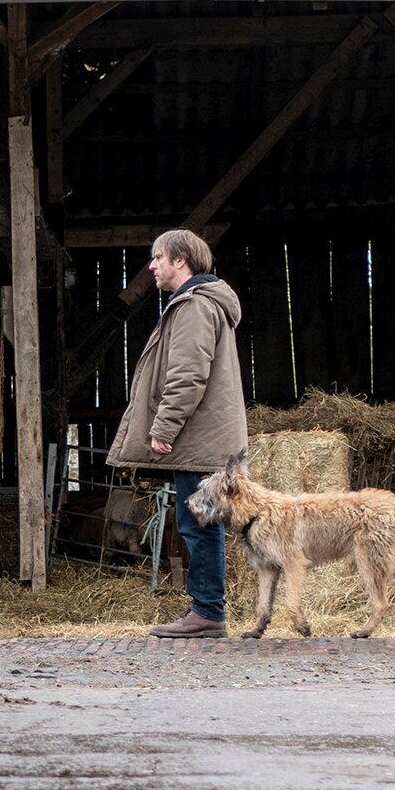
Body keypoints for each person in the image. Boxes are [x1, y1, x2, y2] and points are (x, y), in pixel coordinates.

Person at [109, 228, 248, 638]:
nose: (151, 265)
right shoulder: (201, 304)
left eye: (157, 257)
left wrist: (163, 427)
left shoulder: (194, 306)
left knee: (198, 525)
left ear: (180, 261)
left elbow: (188, 376)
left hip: (199, 440)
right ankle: (207, 610)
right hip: (205, 438)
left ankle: (207, 613)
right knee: (203, 524)